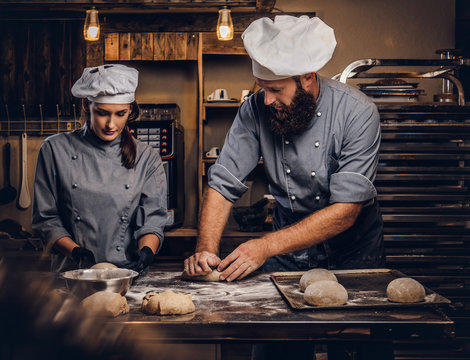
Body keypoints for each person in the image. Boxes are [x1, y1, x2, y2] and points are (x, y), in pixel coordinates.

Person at [184, 15, 385, 281]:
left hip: (352, 252)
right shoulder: (255, 109)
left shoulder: (357, 112)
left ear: (307, 78)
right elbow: (222, 184)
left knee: (351, 323)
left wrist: (264, 246)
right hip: (287, 255)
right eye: (262, 88)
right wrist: (205, 250)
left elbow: (346, 211)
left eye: (276, 89)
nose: (266, 100)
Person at [32, 64, 168, 273]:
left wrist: (147, 251)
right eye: (103, 113)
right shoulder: (54, 149)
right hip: (72, 273)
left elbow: (152, 219)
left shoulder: (146, 157)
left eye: (120, 114)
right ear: (87, 105)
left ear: (130, 109)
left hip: (127, 274)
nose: (111, 124)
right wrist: (77, 253)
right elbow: (46, 219)